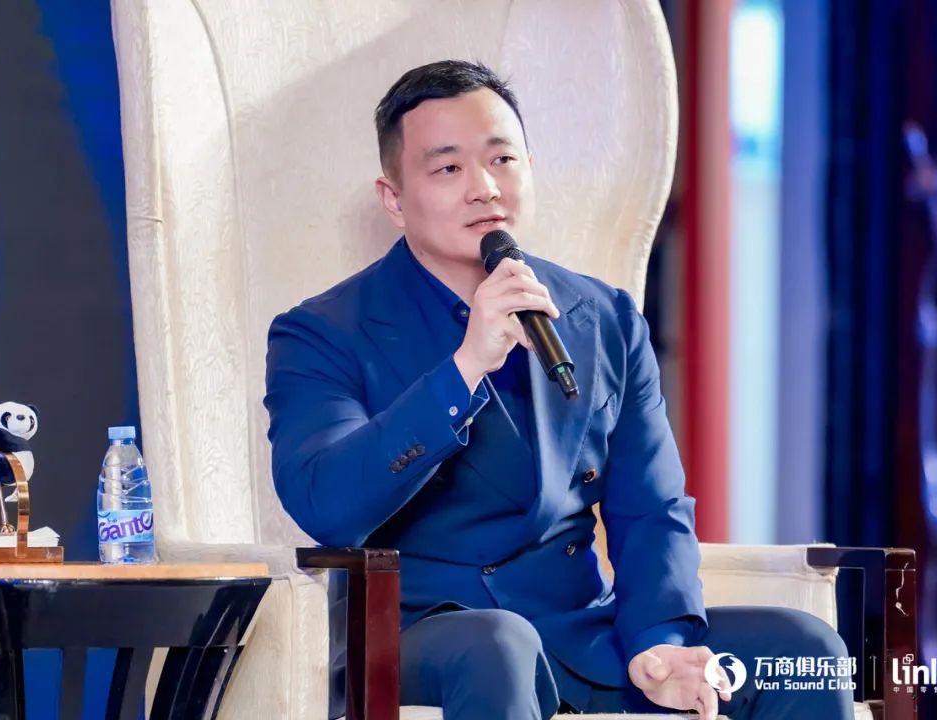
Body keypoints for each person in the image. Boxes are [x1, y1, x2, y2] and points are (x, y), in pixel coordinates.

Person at [264, 60, 853, 720]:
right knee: (499, 645)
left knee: (804, 649)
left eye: (502, 160)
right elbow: (326, 503)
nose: (485, 188)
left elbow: (650, 507)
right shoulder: (323, 331)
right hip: (430, 638)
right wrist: (465, 367)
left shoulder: (602, 317)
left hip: (579, 634)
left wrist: (660, 641)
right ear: (394, 198)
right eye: (448, 168)